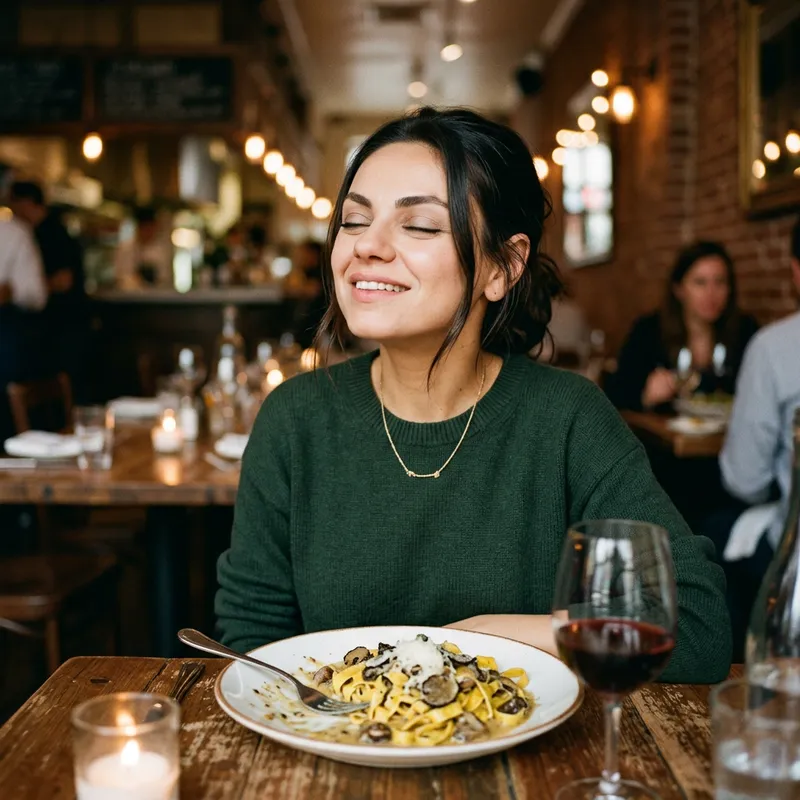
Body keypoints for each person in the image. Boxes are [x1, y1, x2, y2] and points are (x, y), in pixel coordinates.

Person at [216, 107, 731, 683]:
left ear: (503, 266)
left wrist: (514, 637)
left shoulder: (566, 417)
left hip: (534, 767)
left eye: (421, 226)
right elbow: (251, 645)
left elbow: (698, 624)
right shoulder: (294, 419)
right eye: (355, 221)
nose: (367, 246)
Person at [708, 218, 800, 659]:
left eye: (720, 282)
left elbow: (744, 480)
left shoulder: (771, 345)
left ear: (795, 270)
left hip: (795, 567)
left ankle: (736, 662)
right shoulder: (650, 332)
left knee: (709, 537)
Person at [605, 241, 758, 411]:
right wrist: (645, 395)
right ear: (679, 289)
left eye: (720, 282)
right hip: (662, 436)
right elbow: (614, 396)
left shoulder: (745, 330)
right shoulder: (648, 331)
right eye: (700, 282)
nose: (711, 293)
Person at [9, 181, 90, 401]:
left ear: (26, 202)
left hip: (63, 324)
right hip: (56, 326)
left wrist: (31, 286)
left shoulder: (51, 232)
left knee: (62, 389)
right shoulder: (38, 230)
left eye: (14, 203)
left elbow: (65, 280)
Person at [0, 215, 47, 439]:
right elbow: (36, 294)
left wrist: (8, 292)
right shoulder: (15, 232)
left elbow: (35, 295)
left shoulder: (13, 232)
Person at [114, 206, 173, 288]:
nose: (149, 232)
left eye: (151, 228)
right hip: (128, 296)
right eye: (146, 229)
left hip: (154, 297)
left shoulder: (161, 251)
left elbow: (164, 279)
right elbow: (120, 276)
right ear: (138, 227)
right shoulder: (125, 248)